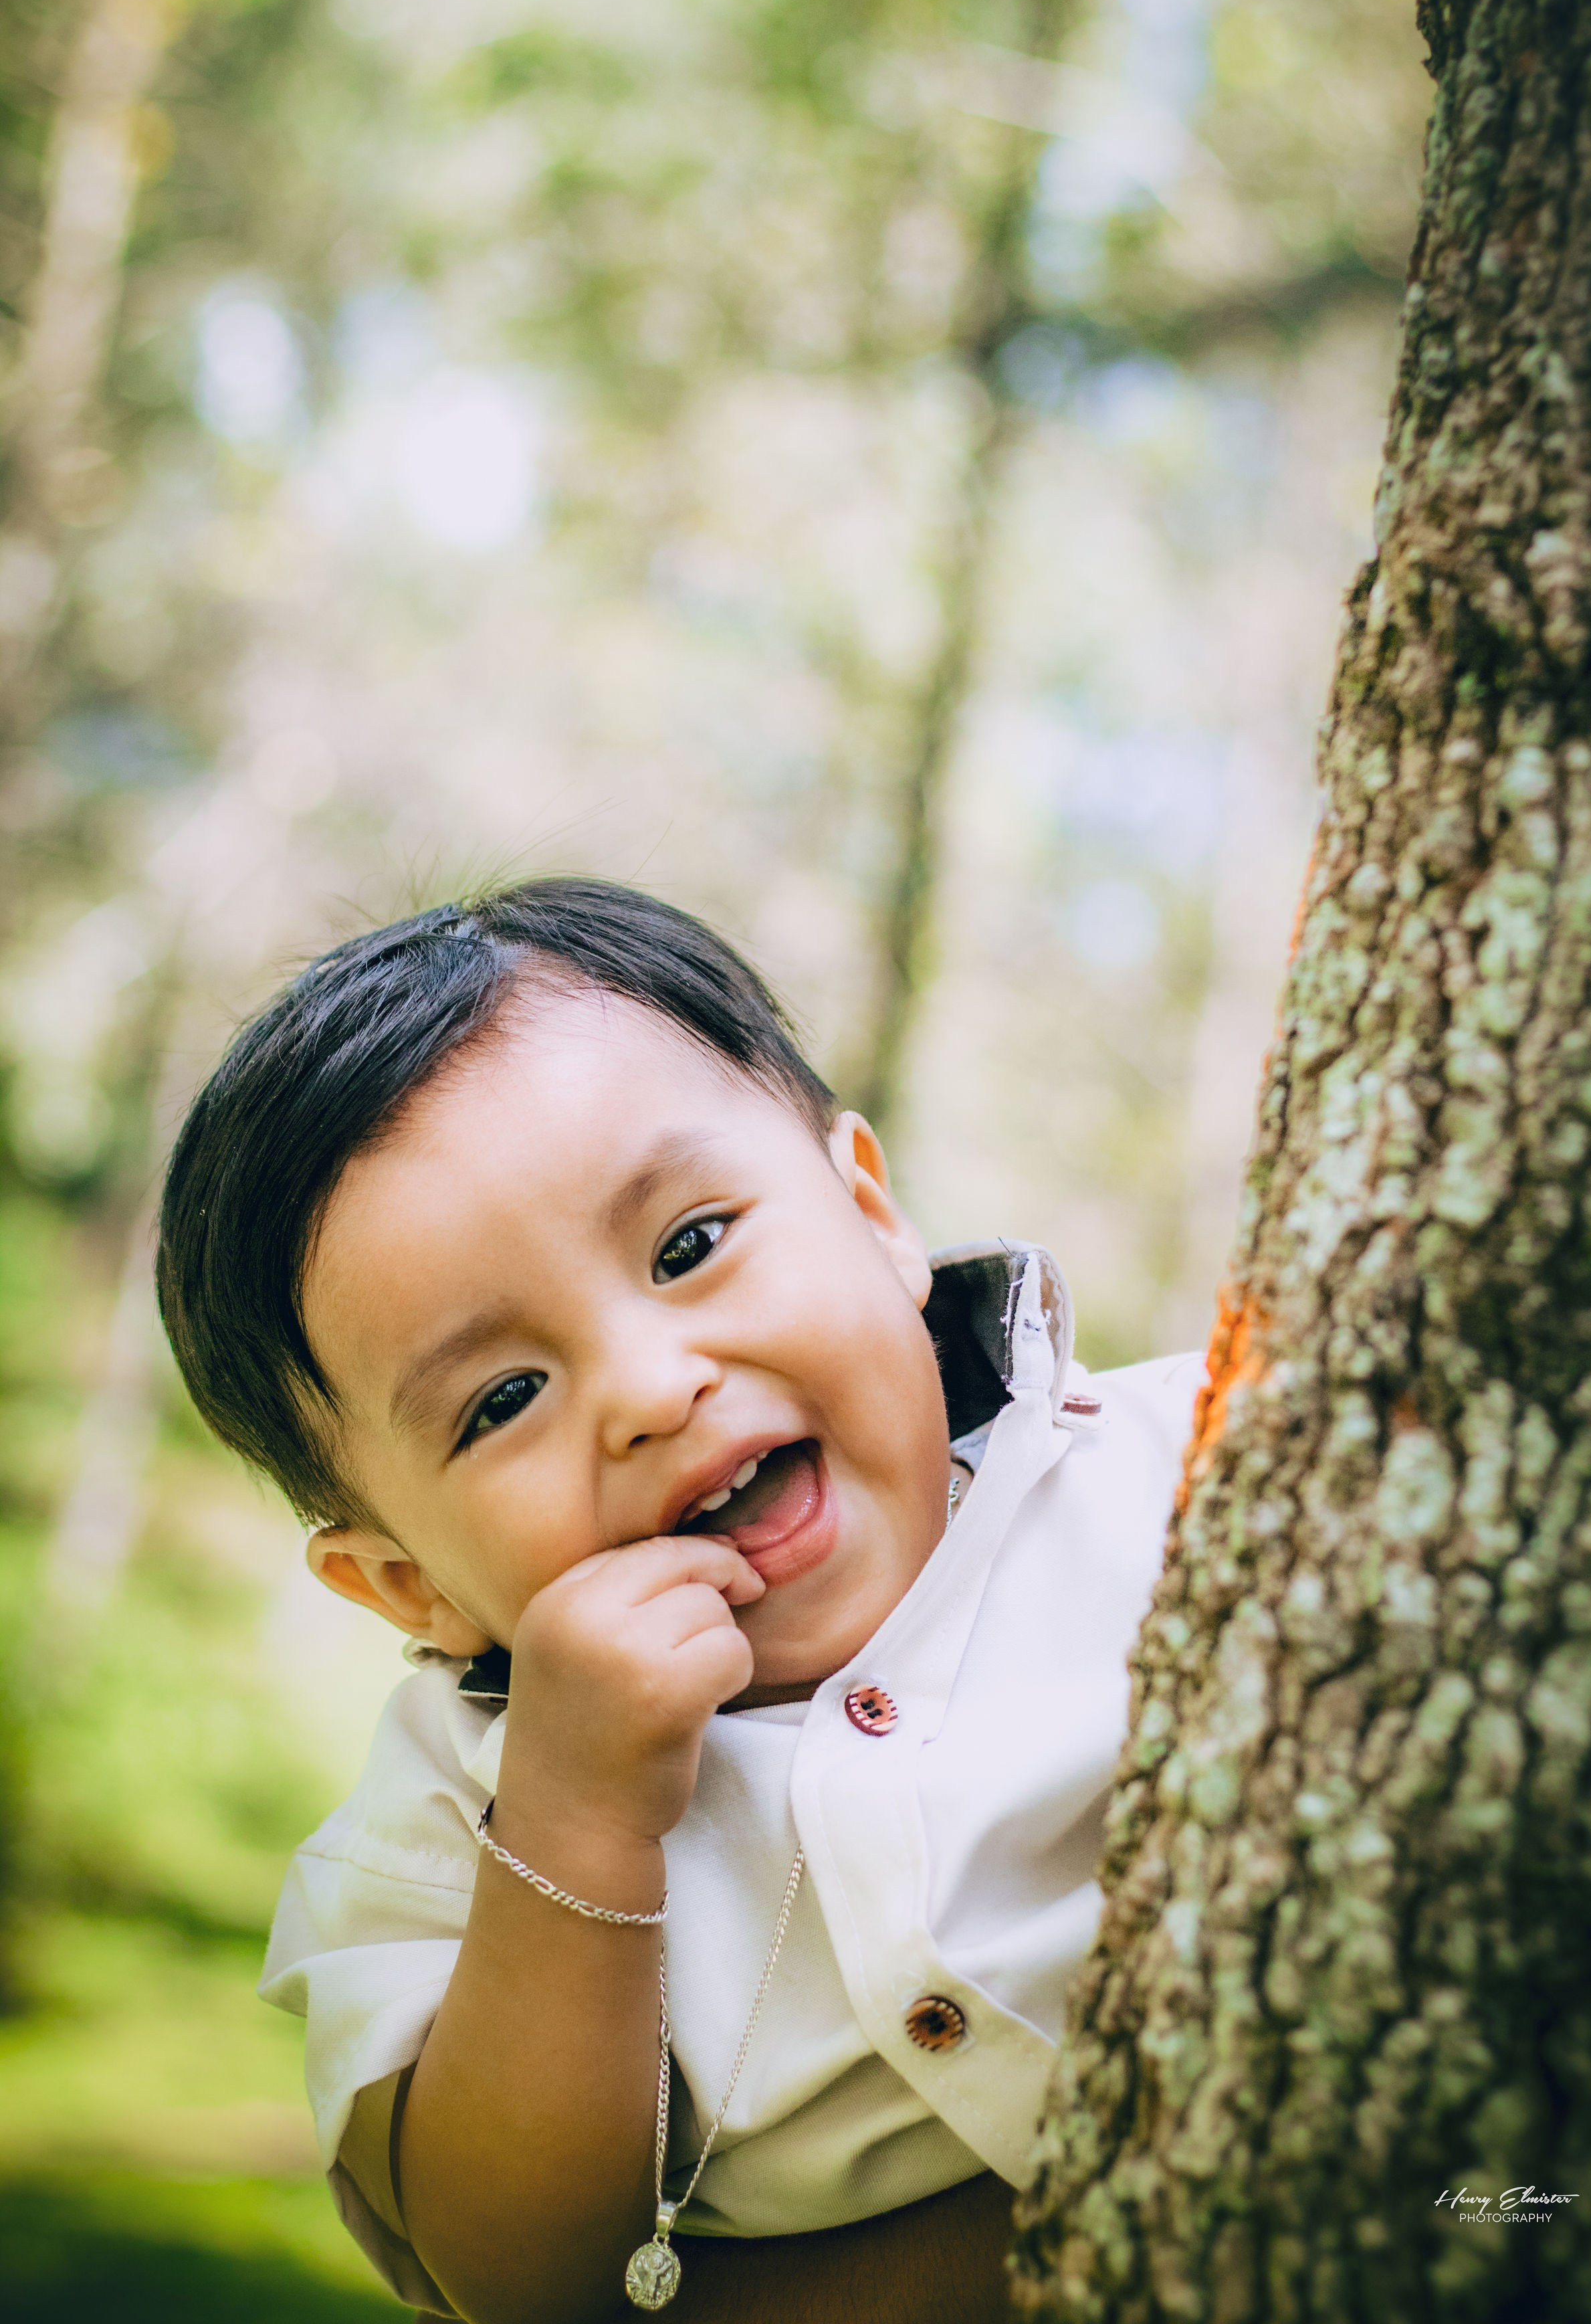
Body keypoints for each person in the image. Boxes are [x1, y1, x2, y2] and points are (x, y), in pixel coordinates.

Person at [155, 878, 1203, 2324]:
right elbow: (517, 2275)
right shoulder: (455, 1813)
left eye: (690, 1246)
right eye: (504, 1397)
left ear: (873, 1213)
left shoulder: (1189, 1475)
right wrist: (577, 1814)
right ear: (407, 1583)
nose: (653, 1390)